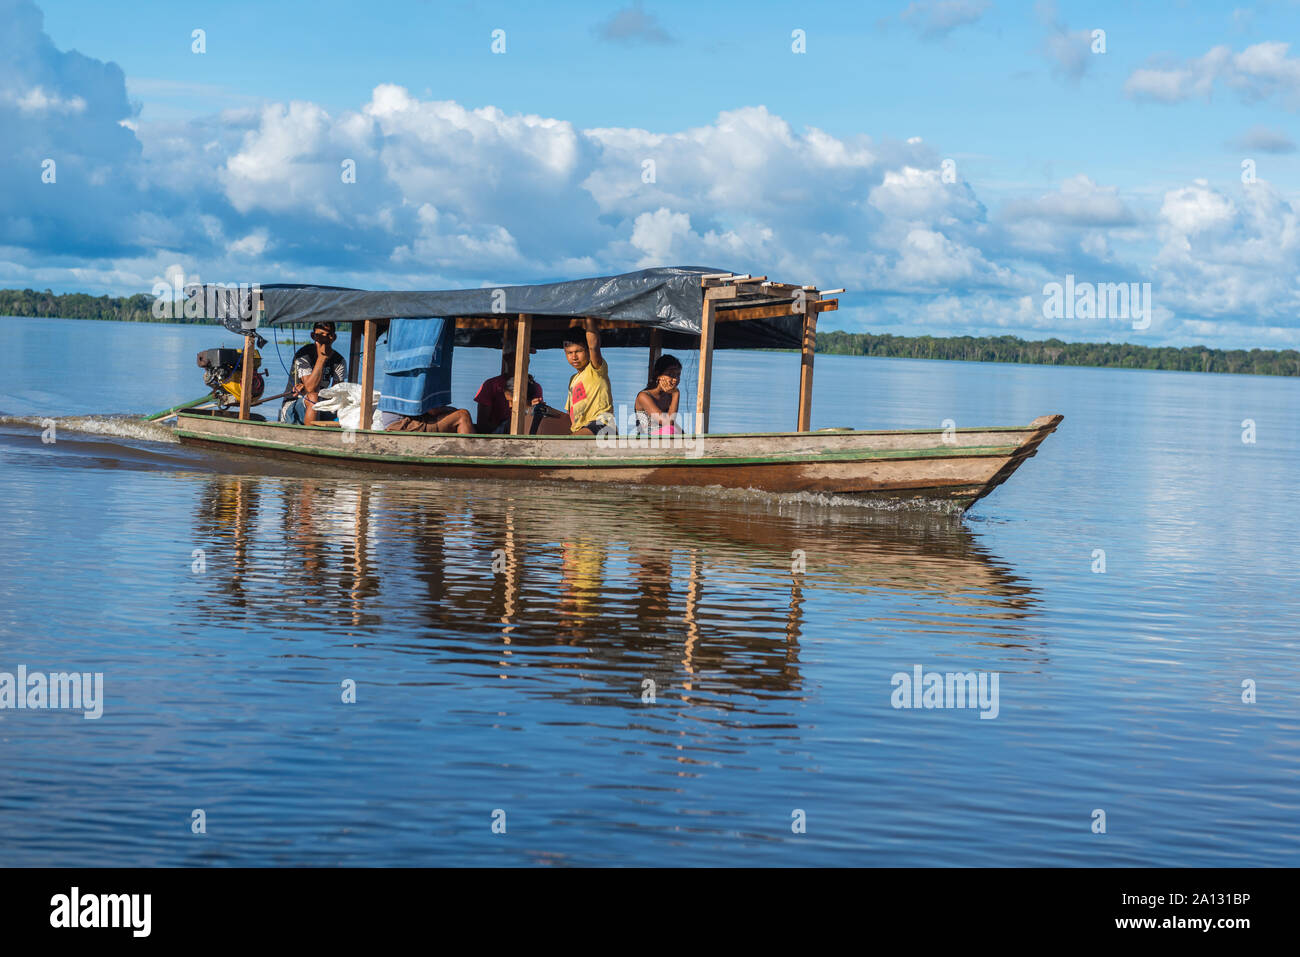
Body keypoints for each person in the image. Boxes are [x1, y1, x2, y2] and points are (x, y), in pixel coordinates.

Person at [280, 322, 348, 425]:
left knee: (348, 406)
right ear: (313, 336)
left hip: (321, 404)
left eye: (328, 335)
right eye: (320, 335)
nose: (324, 339)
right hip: (294, 405)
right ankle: (310, 435)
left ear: (333, 337)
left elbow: (336, 393)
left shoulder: (339, 361)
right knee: (313, 397)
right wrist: (322, 358)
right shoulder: (303, 355)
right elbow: (310, 389)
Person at [475, 344, 543, 433]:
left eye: (527, 357)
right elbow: (482, 425)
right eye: (520, 356)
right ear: (507, 358)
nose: (525, 361)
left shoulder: (534, 387)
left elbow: (535, 421)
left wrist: (531, 409)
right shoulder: (491, 385)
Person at [564, 318, 614, 435]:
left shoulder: (595, 369)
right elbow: (569, 414)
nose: (574, 357)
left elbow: (594, 346)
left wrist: (589, 316)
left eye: (579, 351)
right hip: (580, 429)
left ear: (587, 351)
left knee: (569, 443)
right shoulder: (573, 379)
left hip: (601, 425)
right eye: (569, 353)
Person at [635, 354, 682, 434]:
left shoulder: (669, 394)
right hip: (646, 440)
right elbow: (667, 422)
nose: (675, 379)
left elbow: (672, 424)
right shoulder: (644, 396)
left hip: (666, 437)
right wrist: (676, 394)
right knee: (670, 430)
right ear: (658, 375)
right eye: (670, 374)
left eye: (678, 375)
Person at [381, 404, 474, 433]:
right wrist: (450, 409)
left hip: (394, 422)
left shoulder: (398, 377)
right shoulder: (417, 377)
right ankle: (470, 456)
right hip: (402, 425)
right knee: (462, 416)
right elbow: (433, 411)